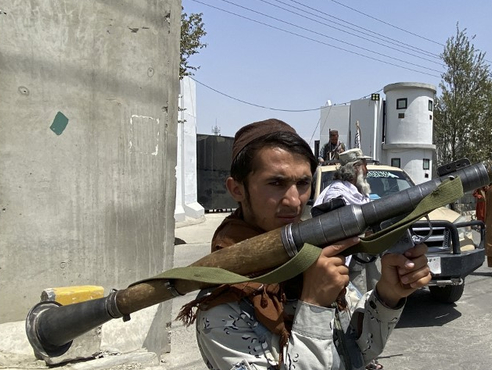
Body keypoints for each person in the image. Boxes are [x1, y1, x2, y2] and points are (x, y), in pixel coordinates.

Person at [181, 119, 431, 370]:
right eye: (276, 183)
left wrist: (388, 294)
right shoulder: (222, 306)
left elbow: (357, 352)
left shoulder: (309, 258)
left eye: (302, 184)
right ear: (236, 189)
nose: (293, 201)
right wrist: (313, 305)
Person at [313, 147, 380, 297]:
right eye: (364, 165)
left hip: (365, 258)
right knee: (357, 305)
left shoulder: (356, 193)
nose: (367, 170)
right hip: (351, 262)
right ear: (356, 169)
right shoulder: (336, 194)